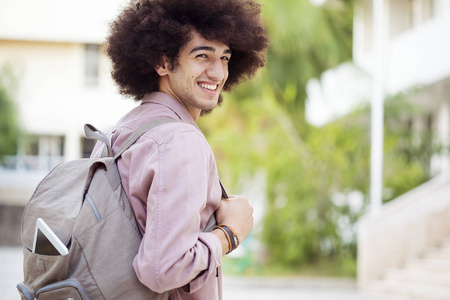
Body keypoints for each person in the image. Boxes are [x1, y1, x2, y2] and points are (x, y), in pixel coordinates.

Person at [91, 0, 269, 299]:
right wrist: (230, 233)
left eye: (225, 58)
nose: (217, 72)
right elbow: (163, 269)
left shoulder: (119, 133)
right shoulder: (179, 141)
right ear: (162, 63)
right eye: (202, 55)